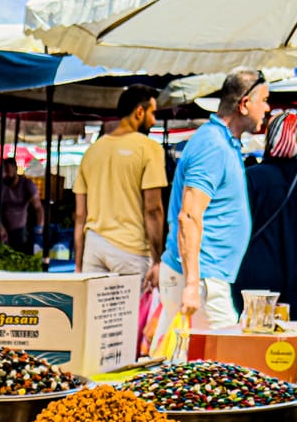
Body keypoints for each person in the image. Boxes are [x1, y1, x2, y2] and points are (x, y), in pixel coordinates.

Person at [161, 68, 270, 331]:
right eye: (264, 100)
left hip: (206, 277)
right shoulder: (212, 146)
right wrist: (191, 285)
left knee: (186, 363)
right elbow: (188, 216)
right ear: (244, 104)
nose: (267, 108)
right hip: (202, 280)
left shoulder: (224, 142)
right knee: (229, 361)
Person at [234, 111, 297, 319]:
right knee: (294, 342)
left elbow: (236, 228)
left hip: (256, 277)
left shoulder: (251, 177)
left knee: (255, 338)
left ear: (269, 138)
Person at [73, 85, 168, 278]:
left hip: (94, 248)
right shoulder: (149, 148)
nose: (154, 120)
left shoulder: (92, 151)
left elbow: (80, 214)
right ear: (139, 112)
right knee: (133, 309)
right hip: (131, 252)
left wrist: (78, 264)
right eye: (152, 113)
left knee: (96, 309)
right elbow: (153, 209)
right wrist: (157, 260)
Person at [0, 164, 38, 254]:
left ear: (15, 169)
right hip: (4, 229)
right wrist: (1, 227)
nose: (6, 175)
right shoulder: (0, 185)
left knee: (21, 253)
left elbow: (38, 207)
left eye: (8, 171)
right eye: (4, 172)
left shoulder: (27, 184)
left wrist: (40, 226)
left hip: (22, 230)